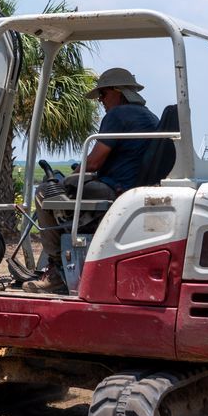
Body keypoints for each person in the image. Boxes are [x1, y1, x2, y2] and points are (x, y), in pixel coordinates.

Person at [34, 68, 161, 287]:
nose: (101, 100)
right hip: (134, 187)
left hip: (114, 189)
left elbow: (93, 162)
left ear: (118, 91)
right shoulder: (151, 116)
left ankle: (56, 268)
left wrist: (73, 176)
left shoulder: (117, 115)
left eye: (103, 94)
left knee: (45, 192)